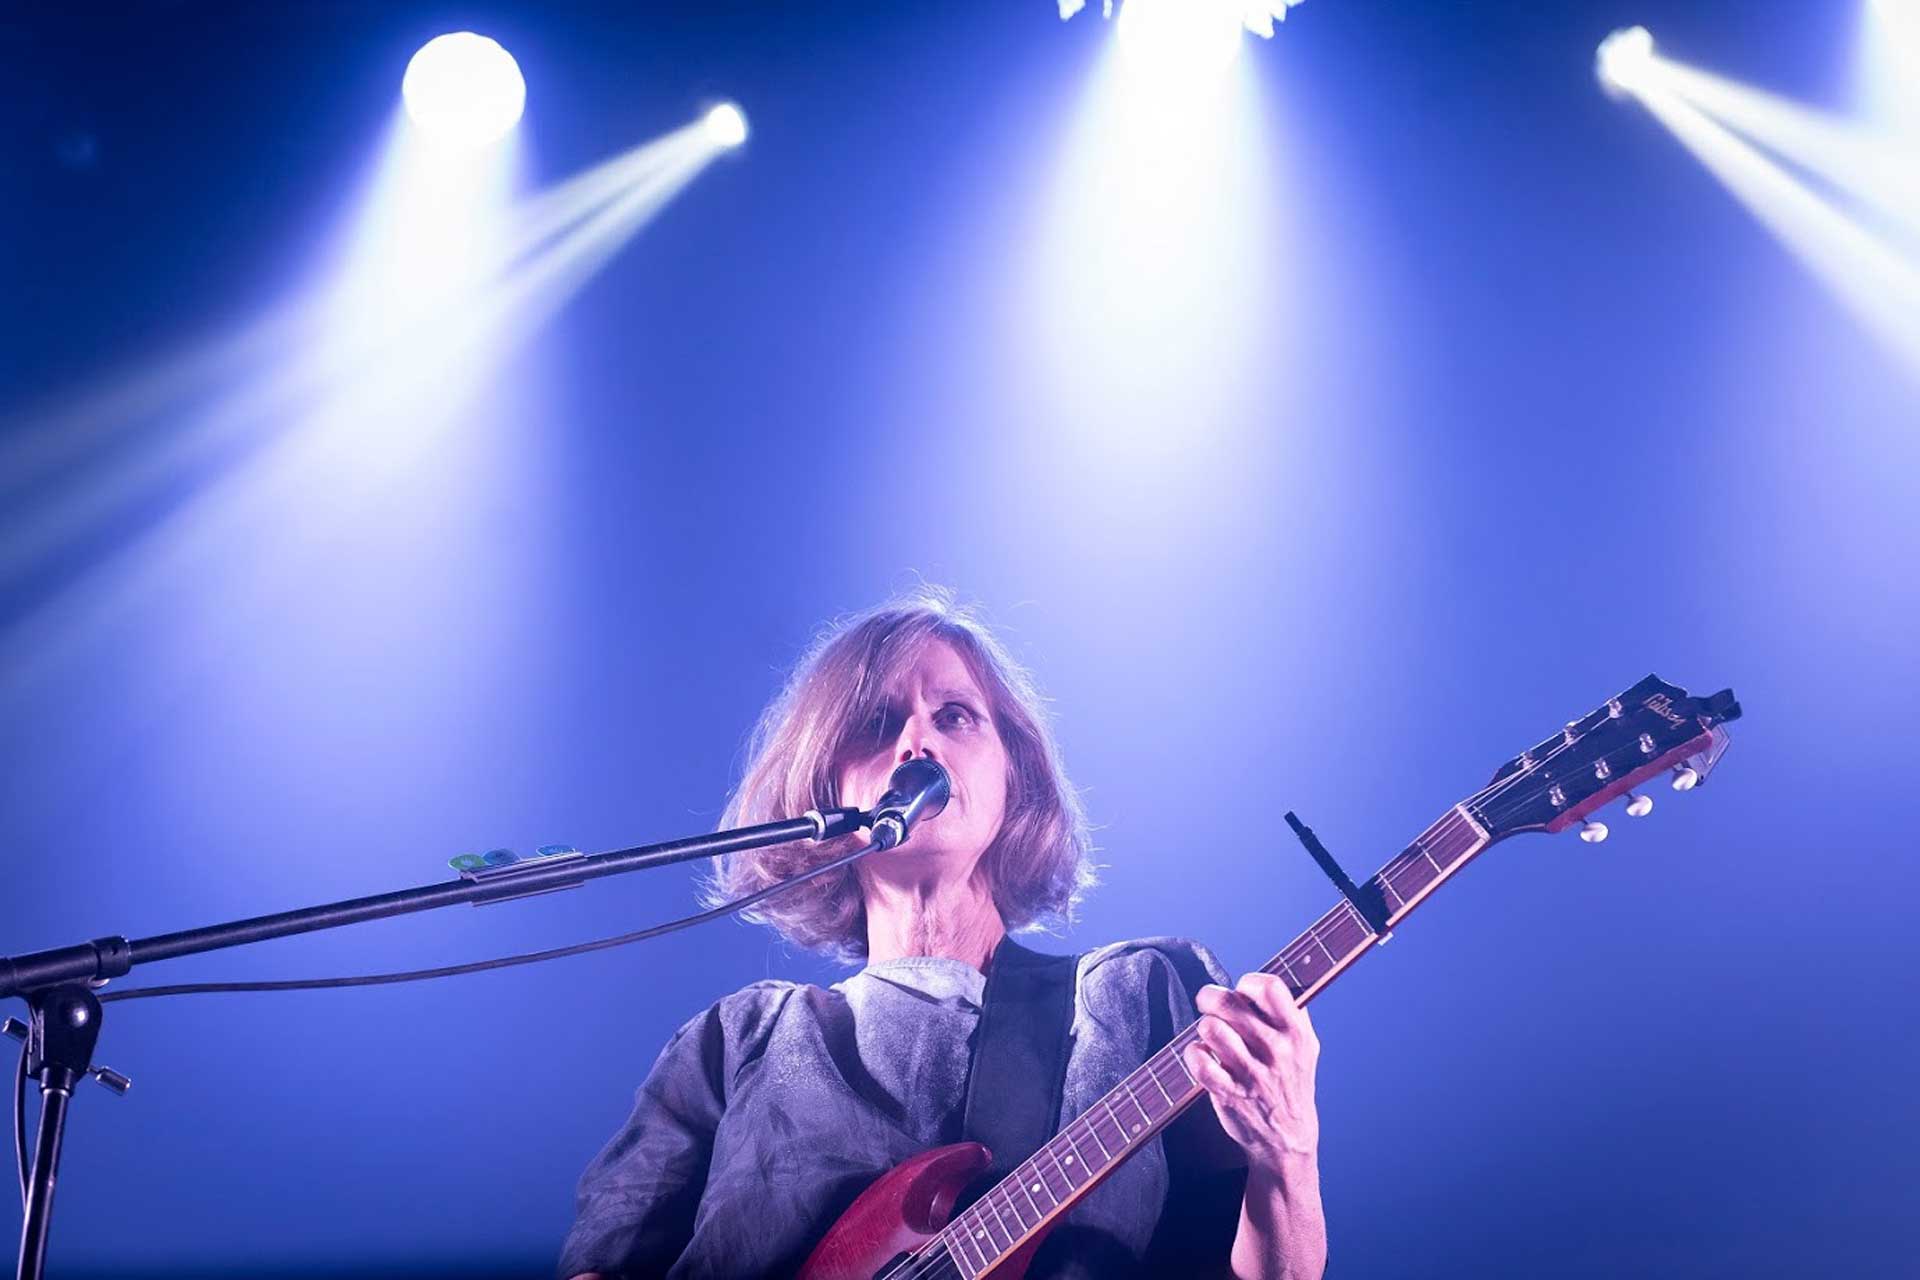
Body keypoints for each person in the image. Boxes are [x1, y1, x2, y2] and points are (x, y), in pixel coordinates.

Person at [559, 591, 1327, 1279]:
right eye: (877, 724)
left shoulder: (1134, 999)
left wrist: (1287, 1154)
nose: (915, 746)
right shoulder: (734, 1041)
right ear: (824, 786)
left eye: (954, 716)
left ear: (1012, 778)